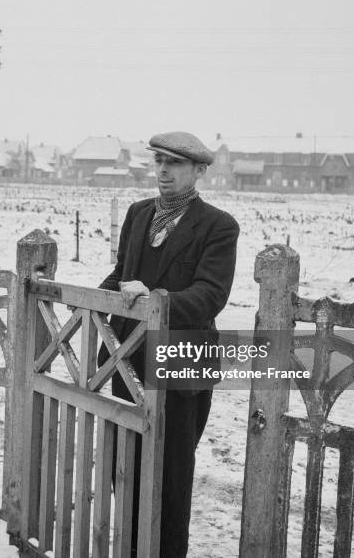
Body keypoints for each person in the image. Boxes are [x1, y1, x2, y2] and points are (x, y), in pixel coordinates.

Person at [98, 131, 239, 557]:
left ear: (199, 171)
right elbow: (121, 274)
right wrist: (82, 306)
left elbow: (210, 295)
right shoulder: (139, 214)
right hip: (129, 359)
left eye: (175, 164)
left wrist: (158, 299)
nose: (163, 170)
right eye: (159, 161)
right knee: (127, 465)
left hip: (181, 365)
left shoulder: (218, 225)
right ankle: (134, 546)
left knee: (171, 473)